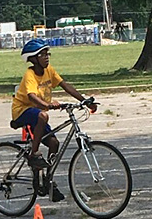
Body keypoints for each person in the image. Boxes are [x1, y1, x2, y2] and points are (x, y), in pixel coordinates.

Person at [11, 38, 96, 202]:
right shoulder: (30, 74)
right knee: (43, 115)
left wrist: (84, 100)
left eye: (47, 54)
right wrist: (47, 105)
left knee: (54, 144)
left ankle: (47, 181)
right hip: (22, 111)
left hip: (37, 113)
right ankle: (34, 155)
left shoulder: (49, 70)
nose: (47, 57)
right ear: (33, 58)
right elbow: (31, 96)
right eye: (42, 54)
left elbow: (65, 85)